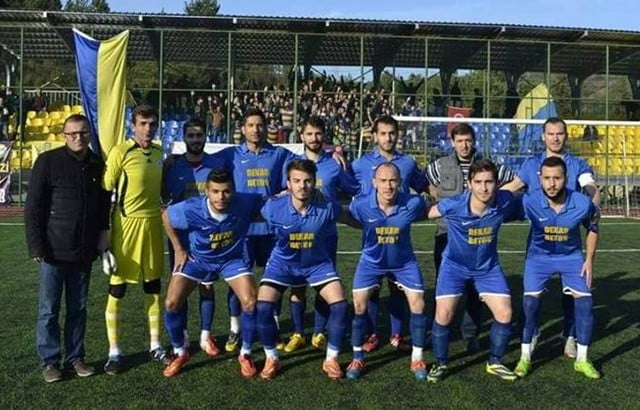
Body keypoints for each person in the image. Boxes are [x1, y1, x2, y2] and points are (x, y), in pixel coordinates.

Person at [502, 117, 600, 358]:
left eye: (560, 133)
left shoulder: (577, 164)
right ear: (543, 136)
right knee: (532, 295)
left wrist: (594, 204)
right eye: (551, 134)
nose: (555, 138)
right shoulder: (531, 165)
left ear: (566, 135)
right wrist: (484, 199)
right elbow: (514, 186)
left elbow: (590, 187)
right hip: (539, 239)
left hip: (569, 240)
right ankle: (532, 333)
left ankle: (569, 336)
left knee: (573, 295)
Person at [25, 114, 111, 382]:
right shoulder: (48, 161)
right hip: (53, 250)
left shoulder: (97, 164)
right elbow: (33, 207)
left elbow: (103, 206)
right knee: (48, 310)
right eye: (72, 133)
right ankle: (50, 362)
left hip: (83, 251)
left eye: (83, 132)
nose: (78, 137)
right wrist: (36, 246)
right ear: (64, 136)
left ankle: (75, 358)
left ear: (89, 135)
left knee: (78, 309)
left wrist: (103, 234)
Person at [161, 170, 263, 378]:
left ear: (233, 191)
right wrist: (179, 248)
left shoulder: (244, 202)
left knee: (251, 302)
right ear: (206, 191)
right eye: (215, 191)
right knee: (171, 302)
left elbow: (273, 203)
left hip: (232, 260)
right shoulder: (192, 208)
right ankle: (180, 352)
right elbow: (166, 216)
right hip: (198, 261)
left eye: (226, 191)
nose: (221, 197)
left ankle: (246, 353)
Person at [426, 159, 521, 383]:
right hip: (454, 268)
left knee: (505, 314)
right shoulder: (453, 205)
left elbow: (529, 194)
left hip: (487, 268)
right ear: (469, 183)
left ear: (497, 184)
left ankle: (495, 361)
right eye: (478, 182)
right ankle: (440, 362)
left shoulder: (505, 201)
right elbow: (427, 212)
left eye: (489, 182)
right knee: (443, 315)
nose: (484, 188)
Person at [255, 159, 350, 380]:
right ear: (288, 183)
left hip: (317, 264)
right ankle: (271, 358)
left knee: (340, 305)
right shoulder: (273, 207)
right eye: (297, 181)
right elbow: (247, 214)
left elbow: (352, 218)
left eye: (307, 181)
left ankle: (331, 359)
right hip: (282, 264)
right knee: (263, 307)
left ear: (314, 182)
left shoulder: (327, 206)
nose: (302, 186)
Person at [215, 107, 296, 353]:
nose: (255, 129)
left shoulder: (278, 154)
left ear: (265, 128)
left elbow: (307, 162)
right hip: (242, 231)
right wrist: (173, 160)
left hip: (272, 230)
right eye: (250, 125)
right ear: (242, 129)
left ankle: (273, 326)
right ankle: (235, 329)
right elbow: (203, 161)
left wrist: (334, 153)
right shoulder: (231, 154)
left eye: (260, 125)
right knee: (237, 282)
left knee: (275, 281)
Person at [513, 157, 601, 379]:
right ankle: (525, 357)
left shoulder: (582, 203)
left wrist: (589, 260)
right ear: (540, 179)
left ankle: (582, 359)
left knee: (586, 303)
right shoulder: (528, 201)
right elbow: (498, 208)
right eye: (547, 178)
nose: (552, 184)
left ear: (566, 179)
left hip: (571, 258)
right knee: (529, 304)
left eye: (557, 178)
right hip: (538, 258)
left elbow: (593, 227)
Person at [344, 162, 429, 381]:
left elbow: (433, 209)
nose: (388, 185)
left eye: (392, 181)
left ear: (400, 182)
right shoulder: (360, 205)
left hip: (404, 263)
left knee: (419, 303)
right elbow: (346, 217)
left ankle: (417, 358)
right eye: (383, 180)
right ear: (374, 182)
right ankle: (357, 358)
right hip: (371, 262)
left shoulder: (413, 203)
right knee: (359, 304)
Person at [351, 115, 429, 353]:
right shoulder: (360, 164)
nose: (388, 138)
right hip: (373, 232)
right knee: (372, 288)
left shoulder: (407, 162)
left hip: (399, 232)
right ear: (375, 136)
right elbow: (345, 186)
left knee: (397, 287)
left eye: (392, 133)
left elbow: (424, 186)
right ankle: (372, 334)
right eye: (383, 133)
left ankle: (396, 334)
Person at [102, 104, 169, 375]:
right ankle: (114, 352)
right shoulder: (121, 152)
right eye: (143, 123)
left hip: (152, 225)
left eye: (152, 123)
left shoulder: (159, 152)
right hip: (126, 227)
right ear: (133, 125)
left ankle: (156, 345)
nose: (148, 128)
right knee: (117, 289)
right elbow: (105, 189)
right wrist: (104, 236)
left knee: (153, 287)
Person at [284, 116, 359, 353]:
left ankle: (318, 333)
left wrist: (343, 159)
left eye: (318, 134)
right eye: (309, 134)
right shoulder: (291, 163)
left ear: (324, 136)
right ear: (301, 135)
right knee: (297, 286)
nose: (314, 138)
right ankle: (298, 333)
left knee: (323, 285)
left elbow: (354, 188)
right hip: (297, 235)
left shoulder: (334, 164)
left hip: (326, 236)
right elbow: (280, 191)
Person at [162, 117, 221, 358]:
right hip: (180, 237)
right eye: (191, 135)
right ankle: (184, 336)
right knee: (181, 286)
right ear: (184, 137)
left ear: (206, 137)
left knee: (207, 285)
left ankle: (206, 336)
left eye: (199, 135)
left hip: (207, 235)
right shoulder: (172, 166)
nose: (195, 140)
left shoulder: (215, 164)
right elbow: (163, 197)